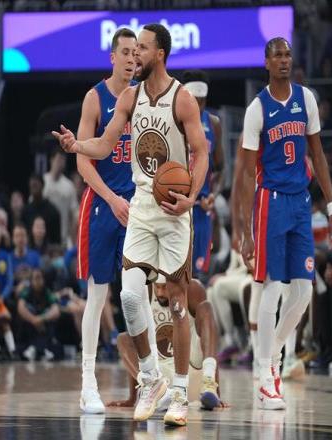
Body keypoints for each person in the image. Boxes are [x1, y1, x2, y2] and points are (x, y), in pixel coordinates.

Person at [53, 23, 208, 426]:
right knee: (129, 297)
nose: (135, 54)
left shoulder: (182, 98)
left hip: (173, 209)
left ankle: (179, 393)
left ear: (160, 54)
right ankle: (150, 378)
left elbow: (202, 151)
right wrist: (76, 145)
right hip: (138, 206)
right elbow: (105, 143)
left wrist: (192, 196)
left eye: (142, 48)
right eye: (131, 48)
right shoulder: (126, 98)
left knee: (176, 302)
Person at [239, 38, 332, 410]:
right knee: (272, 289)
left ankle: (274, 354)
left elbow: (318, 154)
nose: (284, 60)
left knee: (302, 293)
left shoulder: (306, 98)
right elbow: (245, 174)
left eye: (287, 54)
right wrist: (244, 229)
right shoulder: (257, 109)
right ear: (266, 62)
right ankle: (267, 377)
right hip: (271, 202)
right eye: (277, 55)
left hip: (301, 203)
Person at [72, 28, 138, 414]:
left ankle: (149, 379)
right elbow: (83, 162)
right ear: (112, 57)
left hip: (136, 209)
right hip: (101, 204)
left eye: (135, 53)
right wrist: (112, 199)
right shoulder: (95, 98)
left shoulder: (143, 98)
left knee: (136, 295)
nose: (131, 59)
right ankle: (88, 384)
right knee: (97, 297)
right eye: (125, 52)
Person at [108, 277, 225, 410]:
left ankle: (209, 382)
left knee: (206, 308)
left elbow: (209, 337)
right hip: (161, 379)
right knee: (123, 339)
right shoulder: (144, 291)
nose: (160, 293)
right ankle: (151, 387)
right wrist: (132, 398)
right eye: (157, 287)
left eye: (164, 287)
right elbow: (137, 342)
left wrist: (217, 394)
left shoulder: (192, 288)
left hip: (191, 372)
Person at [181, 69, 224, 279]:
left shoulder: (213, 124)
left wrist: (213, 194)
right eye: (194, 101)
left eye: (202, 101)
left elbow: (221, 168)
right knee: (175, 273)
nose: (198, 107)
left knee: (198, 276)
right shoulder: (173, 122)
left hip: (201, 207)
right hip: (177, 207)